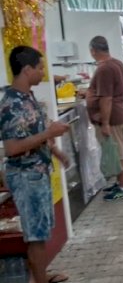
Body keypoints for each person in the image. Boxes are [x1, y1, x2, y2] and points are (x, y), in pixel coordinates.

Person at [1, 46, 71, 283]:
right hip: (25, 176)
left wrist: (55, 151)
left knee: (40, 233)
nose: (43, 72)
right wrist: (49, 133)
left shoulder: (27, 97)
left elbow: (37, 131)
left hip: (38, 173)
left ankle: (39, 275)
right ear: (27, 69)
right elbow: (12, 148)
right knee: (35, 236)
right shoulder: (11, 104)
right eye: (40, 68)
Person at [86, 36, 123, 202]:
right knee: (117, 152)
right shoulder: (117, 63)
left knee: (118, 155)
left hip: (112, 118)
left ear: (93, 51)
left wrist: (105, 123)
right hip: (121, 114)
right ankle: (120, 183)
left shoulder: (104, 69)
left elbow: (106, 98)